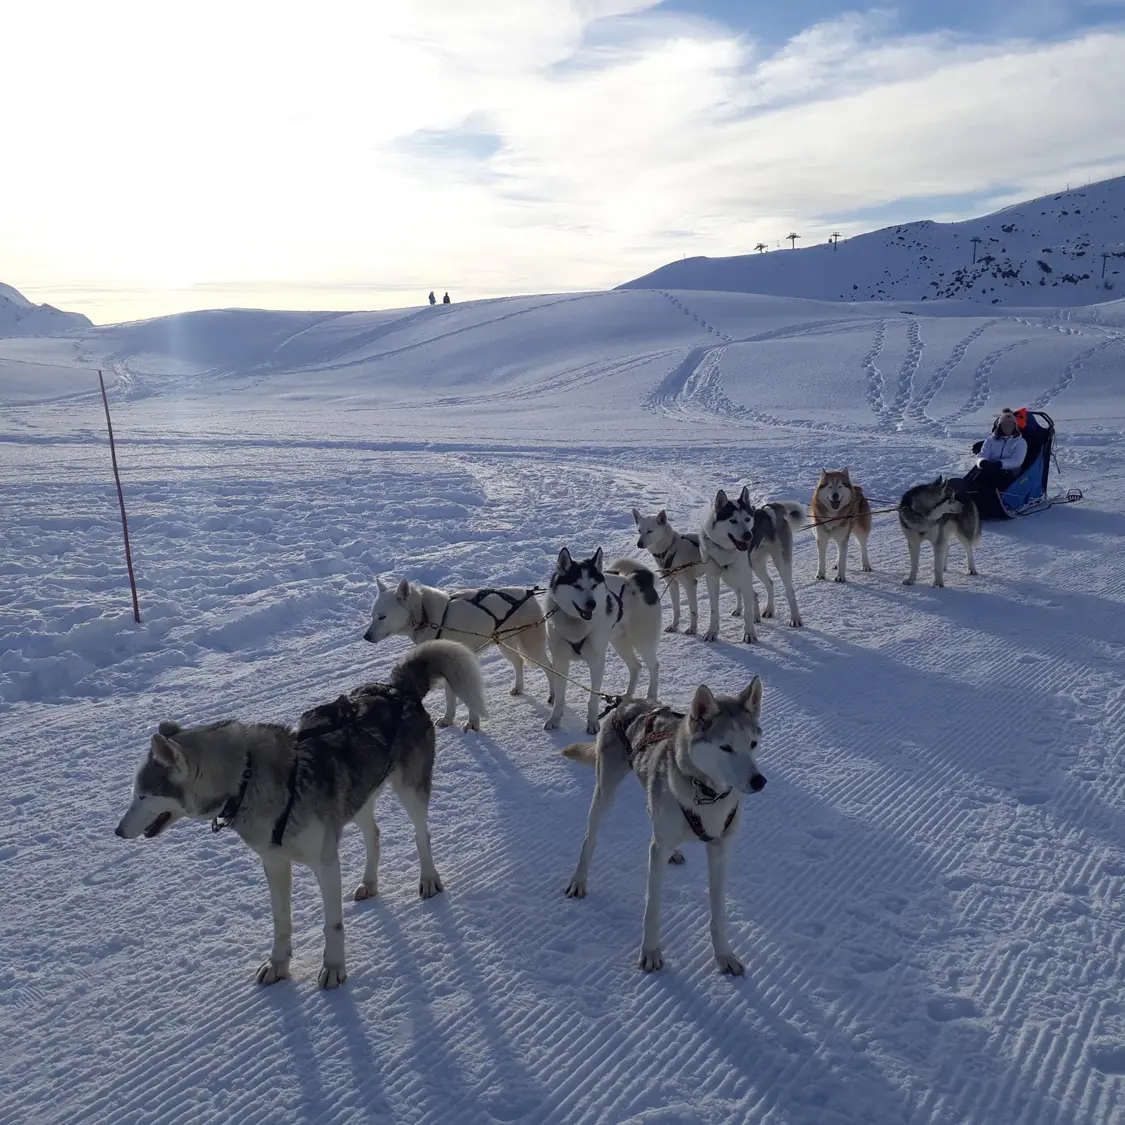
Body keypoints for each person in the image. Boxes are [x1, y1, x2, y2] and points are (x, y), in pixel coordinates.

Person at [951, 407, 1028, 497]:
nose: (1008, 428)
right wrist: (982, 461)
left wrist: (1000, 464)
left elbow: (1017, 461)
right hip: (990, 467)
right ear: (1000, 426)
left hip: (1009, 471)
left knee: (990, 475)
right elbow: (983, 454)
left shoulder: (1020, 442)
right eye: (1005, 425)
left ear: (1015, 427)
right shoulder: (991, 440)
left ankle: (984, 496)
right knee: (979, 471)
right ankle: (965, 491)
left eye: (1010, 425)